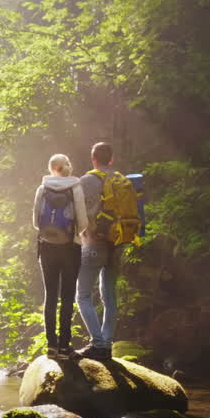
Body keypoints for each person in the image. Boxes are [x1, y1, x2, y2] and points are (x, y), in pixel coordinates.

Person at [33, 153, 89, 359]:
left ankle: (51, 346)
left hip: (47, 247)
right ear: (67, 167)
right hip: (70, 248)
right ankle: (65, 346)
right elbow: (82, 222)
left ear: (51, 169)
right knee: (67, 297)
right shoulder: (75, 188)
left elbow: (36, 222)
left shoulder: (42, 188)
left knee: (50, 297)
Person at [76, 141, 120, 360]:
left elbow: (77, 212)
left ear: (93, 159)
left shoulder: (86, 181)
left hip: (93, 243)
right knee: (109, 296)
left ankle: (98, 343)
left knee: (83, 296)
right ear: (111, 159)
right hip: (116, 245)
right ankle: (107, 343)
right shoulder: (120, 180)